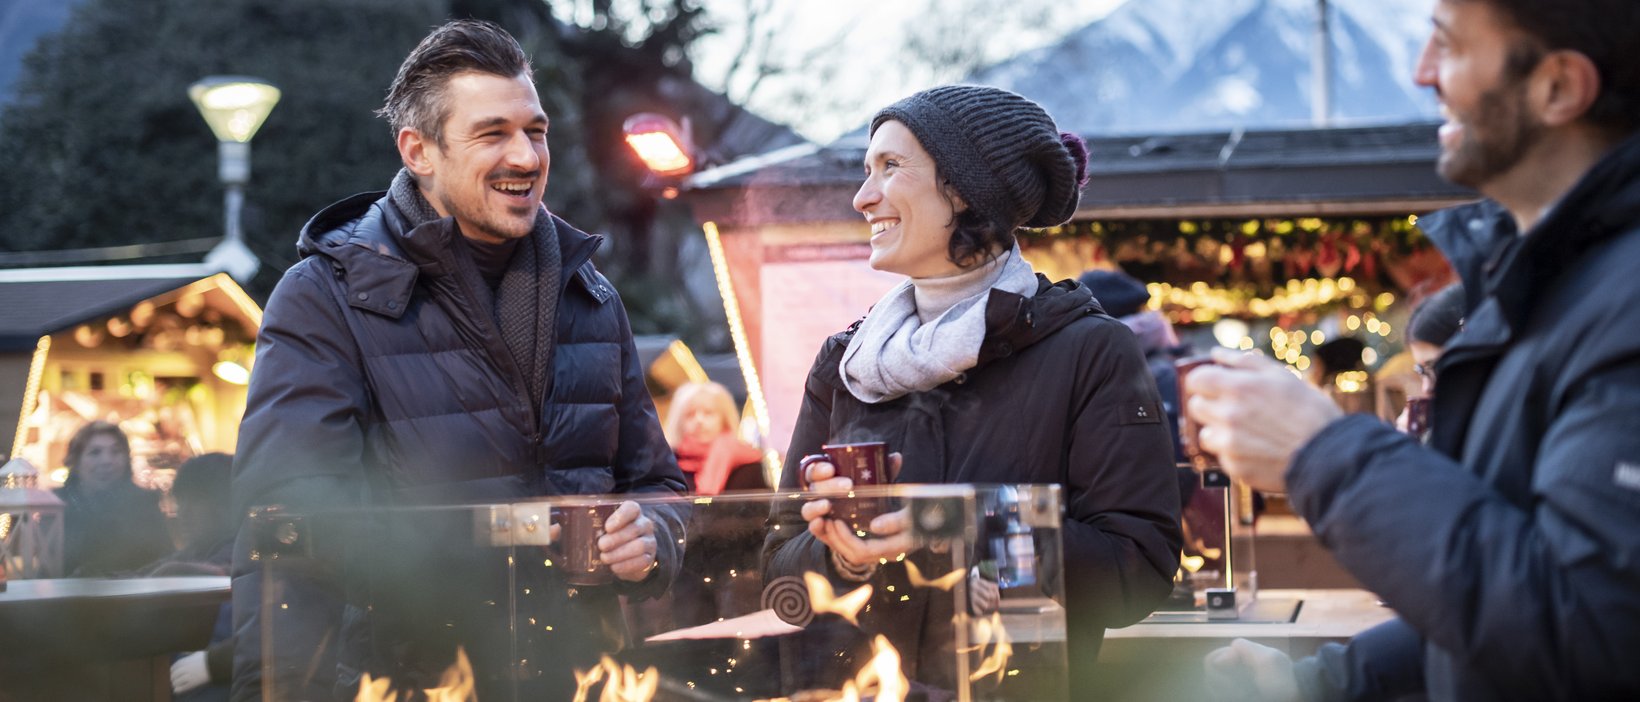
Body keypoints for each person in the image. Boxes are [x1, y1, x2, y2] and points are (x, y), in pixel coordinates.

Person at [1190, 0, 1640, 699]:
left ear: (1558, 87)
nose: (1422, 72)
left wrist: (1323, 450)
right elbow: (1506, 580)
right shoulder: (1549, 288)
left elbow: (1583, 627)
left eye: (1450, 45)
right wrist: (1319, 683)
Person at [229, 20, 687, 700]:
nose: (527, 157)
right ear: (418, 150)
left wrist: (651, 535)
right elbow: (287, 527)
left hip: (578, 681)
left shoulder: (590, 296)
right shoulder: (324, 295)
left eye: (536, 131)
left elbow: (659, 487)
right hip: (408, 684)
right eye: (492, 133)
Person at [764, 85, 1182, 699]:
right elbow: (772, 569)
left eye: (891, 167)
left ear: (964, 190)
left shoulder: (1088, 351)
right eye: (864, 171)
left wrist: (969, 527)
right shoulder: (846, 363)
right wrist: (840, 554)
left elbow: (1139, 571)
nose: (862, 197)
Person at [142, 453, 236, 702]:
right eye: (180, 500)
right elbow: (153, 570)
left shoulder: (242, 551)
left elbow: (221, 571)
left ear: (221, 504)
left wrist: (213, 664)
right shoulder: (198, 549)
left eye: (194, 500)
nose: (181, 511)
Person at [54, 420, 171, 577]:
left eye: (116, 452)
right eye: (95, 452)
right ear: (75, 461)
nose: (107, 461)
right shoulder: (56, 506)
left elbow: (166, 561)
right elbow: (47, 569)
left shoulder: (144, 504)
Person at [663, 381, 767, 495]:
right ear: (679, 422)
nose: (699, 420)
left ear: (724, 418)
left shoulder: (747, 464)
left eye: (708, 413)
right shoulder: (668, 463)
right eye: (690, 414)